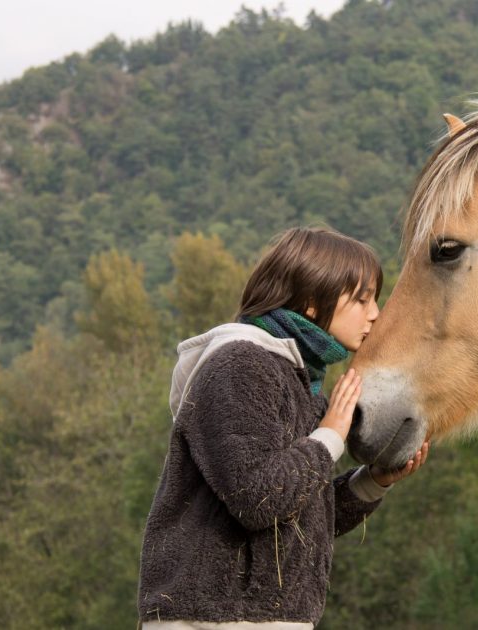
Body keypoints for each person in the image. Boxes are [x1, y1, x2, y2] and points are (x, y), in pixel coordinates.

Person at [137, 226, 428, 629]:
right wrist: (330, 436)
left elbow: (302, 517)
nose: (376, 313)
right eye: (362, 299)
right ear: (311, 303)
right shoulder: (240, 366)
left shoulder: (298, 379)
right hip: (214, 621)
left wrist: (374, 481)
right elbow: (257, 497)